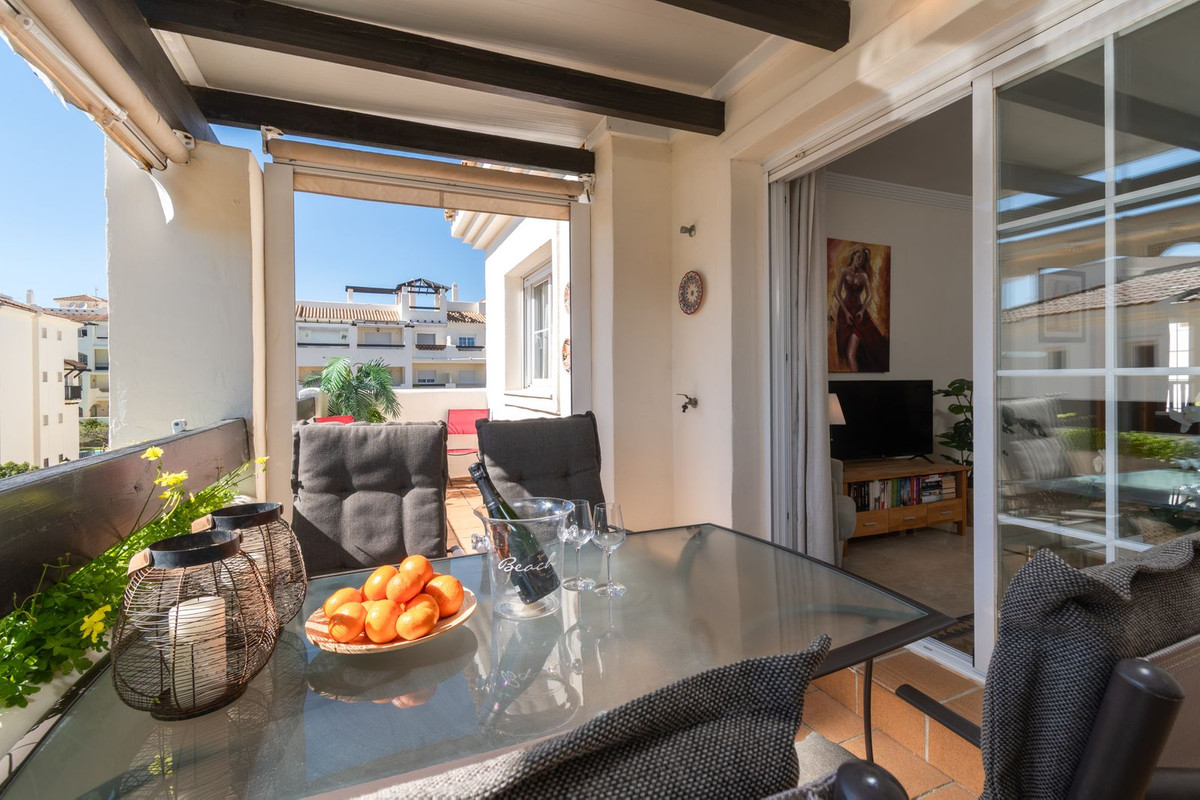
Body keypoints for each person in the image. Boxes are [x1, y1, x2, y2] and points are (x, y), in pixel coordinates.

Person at [832, 246, 889, 372]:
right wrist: (846, 312)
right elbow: (837, 293)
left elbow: (869, 296)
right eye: (858, 257)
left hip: (858, 313)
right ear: (853, 256)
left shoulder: (863, 276)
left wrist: (862, 310)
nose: (860, 260)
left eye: (862, 259)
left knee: (851, 353)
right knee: (849, 353)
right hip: (845, 313)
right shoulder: (844, 271)